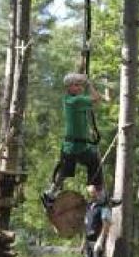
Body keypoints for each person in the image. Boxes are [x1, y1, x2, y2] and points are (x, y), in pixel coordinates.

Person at [44, 72, 104, 204]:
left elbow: (91, 104)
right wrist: (88, 83)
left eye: (80, 85)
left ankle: (100, 196)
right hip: (73, 147)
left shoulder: (70, 99)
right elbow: (97, 98)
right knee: (67, 172)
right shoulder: (76, 101)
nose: (80, 88)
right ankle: (52, 194)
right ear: (69, 88)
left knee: (92, 162)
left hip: (79, 146)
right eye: (76, 85)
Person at [83, 186, 112, 257]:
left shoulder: (104, 207)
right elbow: (86, 225)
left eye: (94, 192)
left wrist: (100, 240)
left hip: (97, 239)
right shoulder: (88, 207)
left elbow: (106, 225)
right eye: (90, 192)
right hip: (88, 240)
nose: (93, 194)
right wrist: (83, 242)